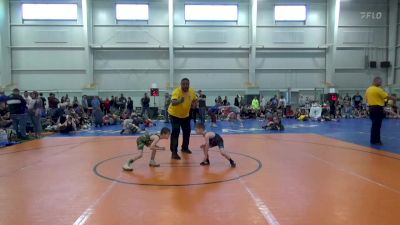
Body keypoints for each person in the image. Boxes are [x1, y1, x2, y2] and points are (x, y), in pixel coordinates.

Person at [168, 78, 198, 160]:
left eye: (187, 84)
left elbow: (195, 99)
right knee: (175, 132)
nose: (185, 86)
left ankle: (184, 148)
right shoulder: (176, 91)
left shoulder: (192, 91)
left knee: (187, 131)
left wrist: (194, 104)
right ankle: (174, 152)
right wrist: (179, 101)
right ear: (181, 85)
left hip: (185, 115)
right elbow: (173, 103)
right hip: (174, 115)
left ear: (189, 84)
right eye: (183, 84)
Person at [365, 77, 394, 145]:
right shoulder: (378, 89)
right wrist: (396, 98)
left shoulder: (368, 89)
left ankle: (373, 140)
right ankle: (377, 141)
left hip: (371, 108)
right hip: (377, 109)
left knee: (374, 125)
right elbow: (387, 97)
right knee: (377, 126)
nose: (381, 83)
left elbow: (367, 99)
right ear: (375, 81)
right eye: (380, 82)